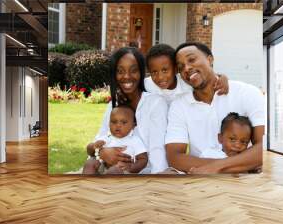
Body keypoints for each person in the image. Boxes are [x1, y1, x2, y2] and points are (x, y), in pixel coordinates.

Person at [165, 42, 265, 174]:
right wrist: (245, 163)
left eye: (191, 59)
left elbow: (262, 149)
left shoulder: (247, 93)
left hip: (239, 178)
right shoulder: (179, 105)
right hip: (200, 177)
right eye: (180, 66)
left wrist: (214, 168)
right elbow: (175, 158)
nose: (187, 68)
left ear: (210, 59)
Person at [85, 47, 168, 174]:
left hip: (140, 171)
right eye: (120, 71)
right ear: (114, 74)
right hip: (105, 166)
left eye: (133, 71)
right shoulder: (114, 104)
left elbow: (158, 150)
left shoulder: (155, 103)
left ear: (141, 73)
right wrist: (101, 152)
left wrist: (157, 181)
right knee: (90, 165)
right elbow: (95, 143)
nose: (127, 76)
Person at [144, 43, 229, 105]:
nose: (160, 77)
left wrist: (222, 78)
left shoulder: (186, 82)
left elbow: (205, 77)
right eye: (154, 72)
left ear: (176, 69)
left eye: (165, 70)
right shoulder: (147, 84)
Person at [83, 106, 148, 174]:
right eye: (114, 122)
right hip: (104, 166)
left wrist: (131, 167)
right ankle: (88, 183)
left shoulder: (135, 140)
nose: (118, 125)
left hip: (123, 171)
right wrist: (95, 145)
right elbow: (89, 150)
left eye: (123, 122)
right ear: (109, 123)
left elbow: (143, 159)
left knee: (114, 171)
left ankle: (105, 183)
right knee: (90, 163)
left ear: (133, 125)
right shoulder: (107, 137)